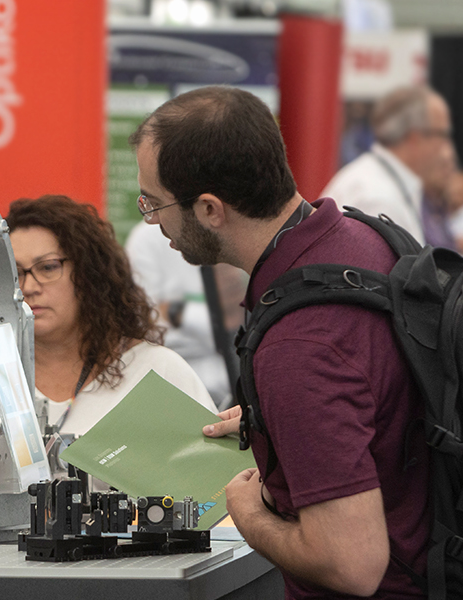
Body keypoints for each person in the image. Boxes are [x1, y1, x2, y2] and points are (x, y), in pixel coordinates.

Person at [130, 86, 429, 598]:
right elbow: (383, 399)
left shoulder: (299, 344)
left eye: (154, 205)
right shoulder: (364, 239)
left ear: (209, 209)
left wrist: (249, 517)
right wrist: (278, 420)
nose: (153, 222)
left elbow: (352, 564)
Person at [0, 195, 216, 482]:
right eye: (13, 273)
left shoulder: (158, 372)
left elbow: (217, 482)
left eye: (47, 267)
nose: (28, 287)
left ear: (89, 274)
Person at [124, 220, 246, 409]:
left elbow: (235, 315)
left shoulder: (222, 224)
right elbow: (150, 322)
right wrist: (211, 323)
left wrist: (177, 312)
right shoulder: (145, 239)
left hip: (232, 380)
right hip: (171, 387)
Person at [322, 85, 456, 244]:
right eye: (442, 134)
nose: (446, 147)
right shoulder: (378, 198)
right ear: (416, 138)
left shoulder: (379, 180)